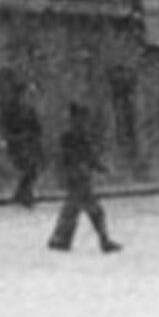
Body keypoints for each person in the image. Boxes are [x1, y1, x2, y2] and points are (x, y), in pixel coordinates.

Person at [46, 101, 121, 254]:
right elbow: (71, 158)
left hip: (78, 178)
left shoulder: (76, 137)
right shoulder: (70, 138)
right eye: (82, 118)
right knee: (93, 211)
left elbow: (88, 157)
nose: (84, 122)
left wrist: (100, 167)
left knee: (72, 211)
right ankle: (103, 240)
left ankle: (60, 239)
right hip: (77, 179)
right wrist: (94, 167)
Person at [0, 90, 45, 208]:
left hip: (30, 146)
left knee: (33, 169)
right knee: (29, 168)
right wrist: (18, 137)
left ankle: (23, 194)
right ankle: (23, 194)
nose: (24, 99)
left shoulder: (30, 112)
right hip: (16, 146)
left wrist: (32, 137)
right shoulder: (11, 113)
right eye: (22, 96)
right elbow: (6, 132)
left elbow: (38, 130)